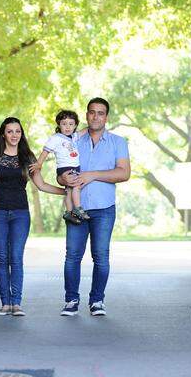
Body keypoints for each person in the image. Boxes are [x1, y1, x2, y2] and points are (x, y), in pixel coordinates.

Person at [0, 117, 65, 317]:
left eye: (17, 131)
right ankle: (5, 304)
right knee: (2, 259)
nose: (14, 135)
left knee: (16, 258)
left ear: (21, 134)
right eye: (9, 131)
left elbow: (42, 185)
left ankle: (16, 303)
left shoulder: (27, 158)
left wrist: (66, 191)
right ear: (3, 134)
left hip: (20, 214)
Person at [58, 97, 131, 317]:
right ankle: (71, 300)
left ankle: (97, 300)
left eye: (100, 113)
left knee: (100, 256)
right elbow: (61, 173)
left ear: (106, 117)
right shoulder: (73, 140)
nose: (95, 116)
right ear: (87, 114)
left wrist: (93, 175)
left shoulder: (118, 142)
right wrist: (64, 179)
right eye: (92, 112)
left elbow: (124, 173)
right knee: (72, 256)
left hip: (104, 208)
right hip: (76, 208)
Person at [30, 110, 89, 224]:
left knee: (69, 190)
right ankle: (78, 209)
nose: (68, 127)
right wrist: (39, 163)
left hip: (75, 167)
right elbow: (45, 151)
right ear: (59, 124)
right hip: (65, 167)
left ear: (75, 125)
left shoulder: (74, 137)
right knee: (76, 186)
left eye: (71, 124)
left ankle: (69, 212)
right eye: (64, 124)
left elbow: (83, 131)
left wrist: (91, 126)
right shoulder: (56, 138)